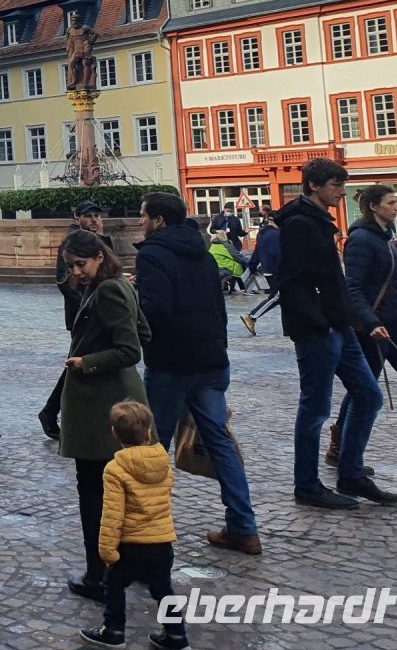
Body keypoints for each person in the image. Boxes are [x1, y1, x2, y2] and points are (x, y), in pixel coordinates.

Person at [133, 191, 259, 555]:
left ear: (158, 220)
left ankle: (149, 536)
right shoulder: (203, 253)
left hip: (172, 364)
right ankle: (244, 527)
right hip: (211, 360)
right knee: (219, 442)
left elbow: (156, 311)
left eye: (143, 216)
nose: (141, 221)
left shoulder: (153, 255)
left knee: (153, 447)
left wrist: (136, 299)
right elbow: (217, 308)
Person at [277, 158, 393, 508]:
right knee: (315, 408)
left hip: (339, 325)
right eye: (335, 185)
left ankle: (351, 474)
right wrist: (320, 322)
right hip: (319, 330)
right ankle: (307, 486)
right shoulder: (299, 223)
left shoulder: (318, 221)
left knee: (369, 395)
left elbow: (333, 280)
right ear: (313, 185)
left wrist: (352, 318)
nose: (341, 192)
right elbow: (291, 281)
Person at [59, 229, 148, 603]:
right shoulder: (117, 284)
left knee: (94, 492)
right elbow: (144, 330)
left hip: (102, 405)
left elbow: (130, 349)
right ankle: (132, 564)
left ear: (99, 256)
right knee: (118, 489)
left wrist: (87, 362)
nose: (76, 272)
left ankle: (100, 573)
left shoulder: (109, 289)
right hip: (117, 398)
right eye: (70, 266)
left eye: (81, 264)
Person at [79, 402, 188, 649]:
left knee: (114, 585)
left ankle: (113, 630)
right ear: (149, 432)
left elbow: (112, 515)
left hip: (131, 545)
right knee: (163, 589)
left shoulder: (115, 469)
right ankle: (177, 634)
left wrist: (107, 551)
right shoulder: (163, 464)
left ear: (114, 433)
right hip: (161, 543)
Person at [335, 186, 397, 434]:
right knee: (363, 390)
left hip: (394, 327)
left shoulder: (387, 238)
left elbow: (394, 290)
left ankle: (340, 440)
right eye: (391, 203)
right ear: (374, 206)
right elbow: (352, 288)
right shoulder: (361, 239)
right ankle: (339, 440)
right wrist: (371, 322)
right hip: (373, 330)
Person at [40, 203, 114, 441]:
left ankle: (55, 413)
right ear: (77, 217)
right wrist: (87, 304)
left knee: (82, 364)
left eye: (96, 216)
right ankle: (52, 413)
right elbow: (65, 281)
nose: (94, 220)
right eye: (88, 216)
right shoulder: (72, 243)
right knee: (79, 365)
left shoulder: (96, 240)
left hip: (95, 311)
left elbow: (107, 270)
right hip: (82, 315)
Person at [240, 217, 281, 335]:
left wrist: (251, 267)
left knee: (287, 298)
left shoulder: (262, 234)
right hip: (276, 269)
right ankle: (252, 316)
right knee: (278, 296)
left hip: (268, 268)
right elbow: (277, 253)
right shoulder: (275, 235)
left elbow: (257, 252)